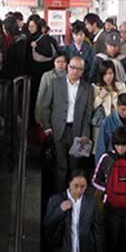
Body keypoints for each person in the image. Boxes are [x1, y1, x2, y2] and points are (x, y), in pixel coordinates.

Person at [39, 56, 94, 190]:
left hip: (77, 132)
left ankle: (73, 194)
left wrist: (85, 134)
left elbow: (88, 114)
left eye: (79, 69)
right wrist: (47, 126)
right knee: (60, 166)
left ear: (83, 71)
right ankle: (60, 194)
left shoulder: (87, 88)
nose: (75, 71)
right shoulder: (55, 83)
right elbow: (45, 106)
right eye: (73, 67)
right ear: (68, 67)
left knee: (75, 167)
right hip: (58, 130)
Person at [43, 169, 104, 252]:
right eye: (76, 186)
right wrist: (60, 210)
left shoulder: (91, 202)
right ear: (69, 183)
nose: (79, 190)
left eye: (83, 186)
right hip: (63, 251)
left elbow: (98, 230)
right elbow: (47, 223)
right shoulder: (56, 199)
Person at [27, 16, 58, 124]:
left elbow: (50, 53)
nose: (30, 28)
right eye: (29, 26)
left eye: (33, 26)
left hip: (42, 74)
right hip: (38, 75)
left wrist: (36, 47)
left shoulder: (42, 39)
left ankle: (39, 122)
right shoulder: (31, 38)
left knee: (42, 98)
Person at [91, 59, 126, 137]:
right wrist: (100, 97)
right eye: (105, 74)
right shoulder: (95, 87)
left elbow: (125, 104)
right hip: (100, 123)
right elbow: (91, 108)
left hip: (117, 122)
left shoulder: (121, 86)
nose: (108, 77)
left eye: (110, 73)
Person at [35, 51, 68, 124]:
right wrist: (38, 115)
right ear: (54, 62)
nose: (60, 64)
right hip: (50, 112)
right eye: (58, 62)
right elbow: (41, 96)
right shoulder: (47, 76)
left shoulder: (70, 76)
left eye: (63, 62)